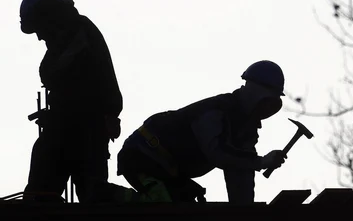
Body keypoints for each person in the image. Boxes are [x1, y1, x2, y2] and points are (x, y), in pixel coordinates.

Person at [106, 60, 288, 204]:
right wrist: (261, 161)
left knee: (185, 208)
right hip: (142, 156)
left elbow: (241, 170)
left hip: (169, 171)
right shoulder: (216, 112)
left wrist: (243, 215)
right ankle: (107, 195)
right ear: (256, 95)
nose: (268, 110)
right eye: (267, 101)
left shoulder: (246, 130)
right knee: (162, 206)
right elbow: (219, 153)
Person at [20, 0, 123, 202]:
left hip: (85, 130)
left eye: (39, 28)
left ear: (48, 17)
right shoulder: (70, 35)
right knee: (41, 193)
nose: (39, 37)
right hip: (75, 128)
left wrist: (59, 114)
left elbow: (60, 76)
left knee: (91, 196)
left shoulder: (79, 32)